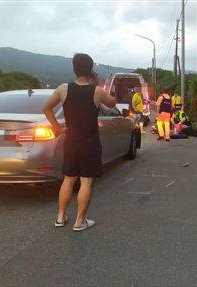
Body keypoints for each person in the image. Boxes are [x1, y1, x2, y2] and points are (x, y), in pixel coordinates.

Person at [42, 53, 116, 231]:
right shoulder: (96, 91)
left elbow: (46, 108)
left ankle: (60, 217)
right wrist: (97, 84)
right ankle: (79, 221)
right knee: (85, 182)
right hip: (89, 141)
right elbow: (112, 103)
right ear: (90, 70)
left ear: (74, 69)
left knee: (68, 179)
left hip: (71, 140)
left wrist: (57, 129)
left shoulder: (63, 89)